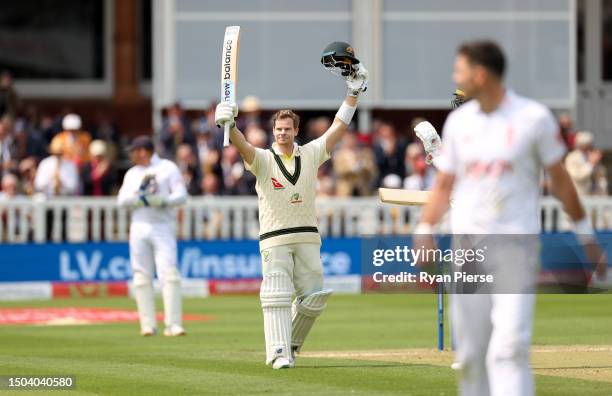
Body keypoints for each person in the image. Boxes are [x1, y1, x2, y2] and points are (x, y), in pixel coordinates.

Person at [415, 40, 607, 396]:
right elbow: (444, 183)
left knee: (509, 350)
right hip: (467, 245)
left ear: (481, 74)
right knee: (472, 356)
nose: (455, 78)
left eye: (460, 71)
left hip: (515, 246)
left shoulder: (532, 118)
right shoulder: (459, 123)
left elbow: (561, 180)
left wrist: (586, 236)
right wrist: (424, 231)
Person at [214, 41, 368, 369]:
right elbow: (242, 147)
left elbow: (339, 128)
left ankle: (291, 346)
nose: (282, 133)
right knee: (276, 293)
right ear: (273, 132)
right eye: (278, 129)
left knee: (314, 298)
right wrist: (230, 124)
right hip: (275, 236)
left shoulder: (311, 153)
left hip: (308, 235)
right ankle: (277, 353)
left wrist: (353, 94)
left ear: (296, 130)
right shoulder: (264, 159)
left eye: (287, 129)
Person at [117, 135, 188, 337]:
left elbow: (182, 195)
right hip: (139, 226)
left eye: (134, 151)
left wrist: (163, 201)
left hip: (162, 226)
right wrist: (137, 201)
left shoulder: (167, 168)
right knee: (141, 276)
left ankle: (173, 324)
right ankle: (147, 325)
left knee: (170, 274)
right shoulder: (132, 173)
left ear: (144, 151)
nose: (132, 155)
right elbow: (121, 200)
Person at [565, 131, 605, 196]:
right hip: (579, 196)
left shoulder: (592, 156)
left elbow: (601, 176)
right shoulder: (571, 158)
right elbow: (578, 176)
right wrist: (591, 164)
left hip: (595, 197)